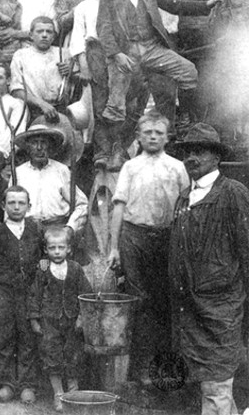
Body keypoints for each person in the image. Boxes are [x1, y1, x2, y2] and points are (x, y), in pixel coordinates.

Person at [96, 0, 222, 135]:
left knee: (188, 72)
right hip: (126, 52)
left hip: (152, 48)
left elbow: (173, 4)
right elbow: (103, 26)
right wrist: (116, 54)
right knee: (119, 107)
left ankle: (185, 117)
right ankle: (117, 153)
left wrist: (205, 5)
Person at [167, 123, 249, 415]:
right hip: (190, 311)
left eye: (199, 151)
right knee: (212, 386)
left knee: (216, 385)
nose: (192, 158)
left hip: (220, 310)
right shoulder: (184, 199)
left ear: (216, 157)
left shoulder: (232, 194)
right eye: (188, 152)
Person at [107, 111, 189, 385]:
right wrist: (114, 247)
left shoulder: (177, 167)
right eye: (147, 133)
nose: (153, 137)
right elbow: (119, 206)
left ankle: (165, 369)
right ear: (138, 137)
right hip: (134, 237)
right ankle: (140, 369)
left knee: (166, 302)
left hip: (167, 238)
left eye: (158, 133)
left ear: (167, 137)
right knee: (139, 302)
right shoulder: (130, 168)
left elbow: (187, 207)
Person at [0, 185, 45, 404]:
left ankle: (28, 385)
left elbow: (44, 256)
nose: (17, 207)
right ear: (3, 205)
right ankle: (7, 384)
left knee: (27, 337)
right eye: (12, 203)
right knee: (5, 338)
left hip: (29, 294)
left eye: (21, 203)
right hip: (4, 292)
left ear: (29, 206)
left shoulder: (35, 229)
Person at [29, 226, 92, 412]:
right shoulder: (43, 269)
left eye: (61, 247)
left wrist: (82, 317)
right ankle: (58, 394)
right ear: (46, 250)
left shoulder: (75, 268)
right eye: (52, 248)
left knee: (73, 354)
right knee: (52, 355)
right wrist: (34, 319)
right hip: (49, 321)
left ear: (69, 249)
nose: (57, 252)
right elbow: (35, 295)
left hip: (72, 321)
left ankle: (74, 393)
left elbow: (85, 294)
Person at [69, 0, 121, 168]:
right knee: (99, 104)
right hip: (95, 53)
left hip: (115, 54)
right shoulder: (82, 7)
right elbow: (78, 38)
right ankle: (102, 150)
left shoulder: (116, 3)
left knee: (116, 102)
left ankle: (118, 148)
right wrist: (84, 66)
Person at [13, 122, 88, 244]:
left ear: (50, 146)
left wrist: (70, 228)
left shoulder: (61, 170)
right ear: (27, 147)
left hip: (56, 233)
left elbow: (82, 204)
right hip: (27, 233)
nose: (39, 148)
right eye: (34, 143)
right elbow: (9, 208)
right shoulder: (18, 173)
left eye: (43, 142)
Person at [10, 16, 72, 122]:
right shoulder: (21, 55)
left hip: (60, 110)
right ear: (31, 35)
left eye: (49, 32)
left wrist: (69, 72)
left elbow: (74, 85)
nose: (44, 35)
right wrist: (42, 104)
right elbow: (16, 91)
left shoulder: (63, 53)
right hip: (32, 111)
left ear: (53, 36)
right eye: (39, 31)